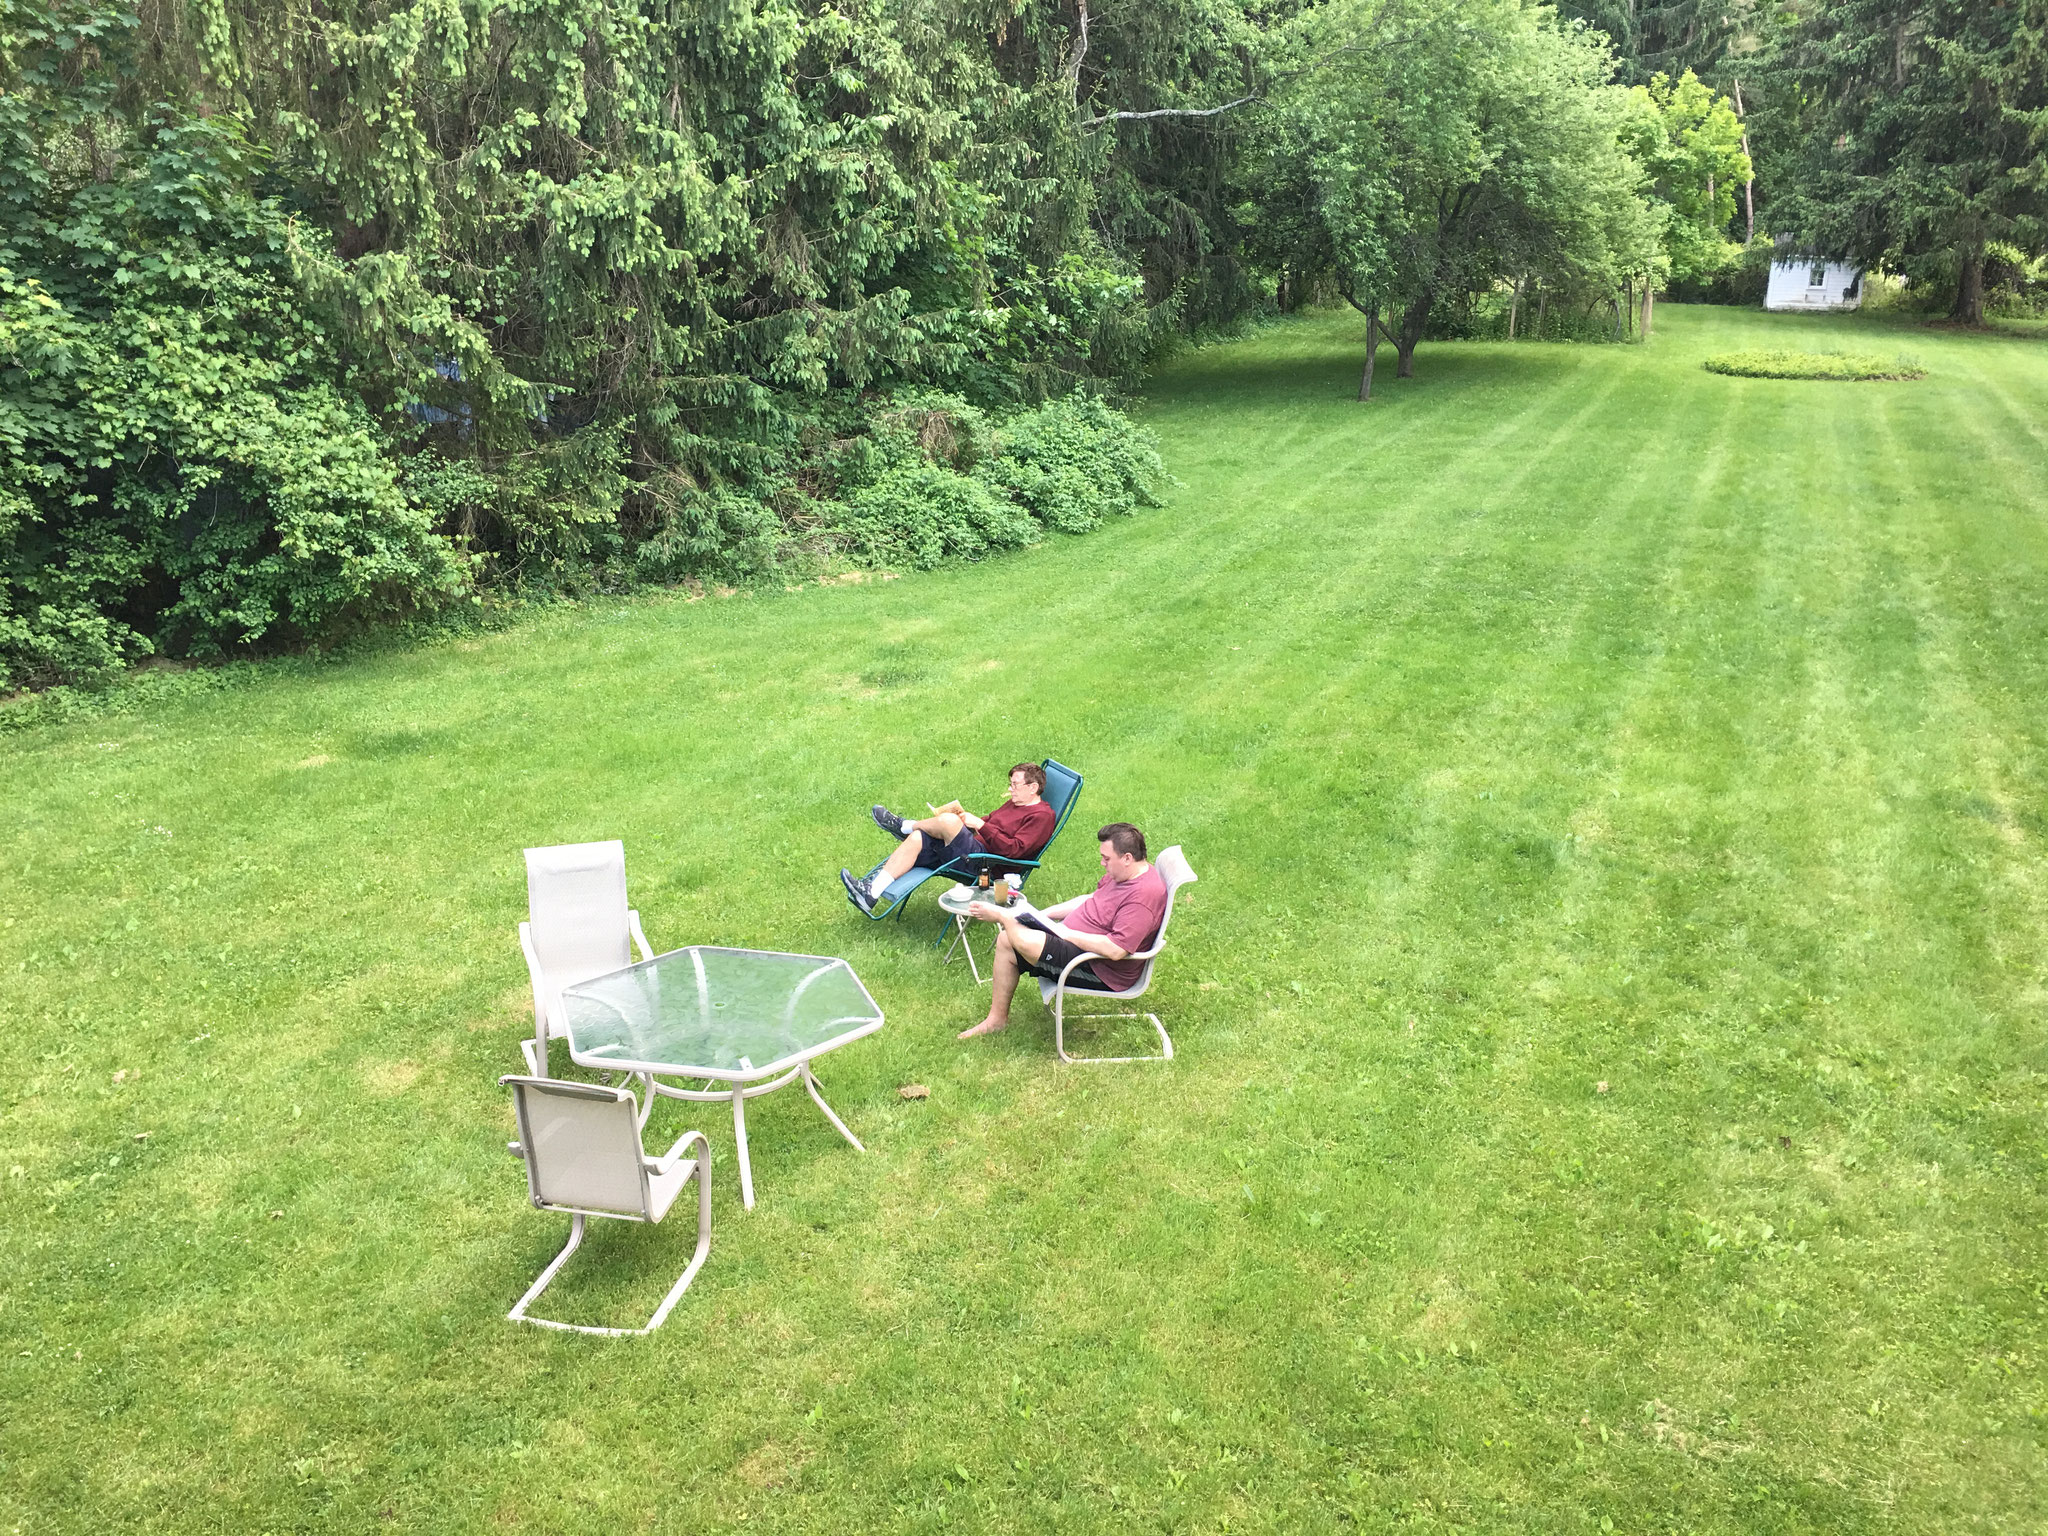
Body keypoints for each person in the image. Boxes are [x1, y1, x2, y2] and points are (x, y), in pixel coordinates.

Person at [957, 822, 1166, 1040]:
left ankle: (1005, 919)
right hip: (1073, 942)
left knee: (1016, 936)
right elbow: (1091, 900)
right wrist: (1043, 915)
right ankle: (996, 1020)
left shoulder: (1142, 898)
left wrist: (1060, 932)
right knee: (1006, 939)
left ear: (1127, 858)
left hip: (1098, 967)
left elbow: (1116, 950)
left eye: (1107, 858)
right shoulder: (1124, 875)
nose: (1102, 863)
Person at [841, 762, 1058, 915]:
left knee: (947, 823)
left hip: (986, 866)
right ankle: (871, 893)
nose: (1010, 789)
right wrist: (969, 821)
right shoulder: (1016, 802)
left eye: (1015, 785)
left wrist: (979, 825)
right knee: (918, 838)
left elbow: (1015, 850)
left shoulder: (1042, 817)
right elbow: (991, 822)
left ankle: (903, 826)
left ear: (1033, 788)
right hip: (969, 849)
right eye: (1010, 784)